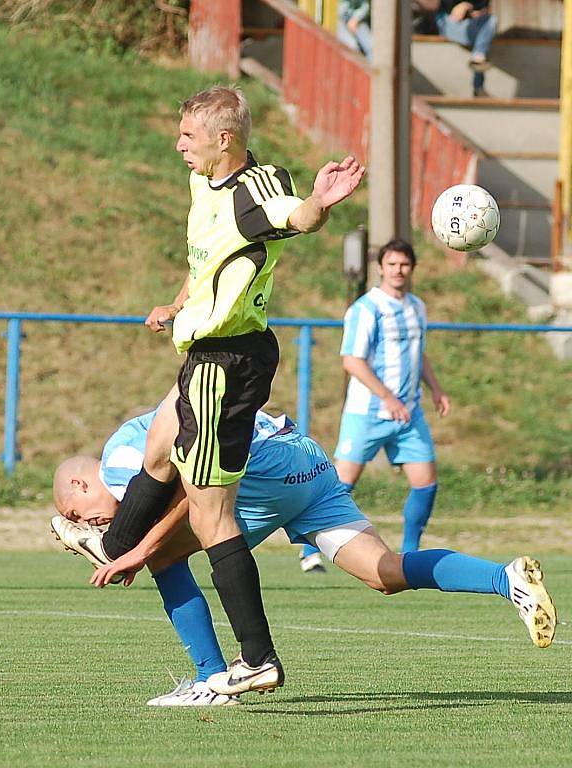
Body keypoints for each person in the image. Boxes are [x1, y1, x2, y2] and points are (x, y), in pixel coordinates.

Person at [53, 84, 365, 697]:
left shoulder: (256, 188)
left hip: (230, 360)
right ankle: (112, 541)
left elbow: (291, 217)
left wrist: (319, 205)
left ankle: (258, 658)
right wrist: (178, 302)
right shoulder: (207, 182)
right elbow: (207, 261)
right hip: (204, 354)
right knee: (159, 445)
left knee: (211, 513)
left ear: (225, 141)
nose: (178, 145)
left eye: (188, 137)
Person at [52, 408, 557, 705]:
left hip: (265, 471)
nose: (90, 520)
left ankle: (209, 679)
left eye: (79, 512)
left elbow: (195, 491)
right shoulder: (130, 443)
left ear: (80, 481)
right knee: (385, 572)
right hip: (304, 460)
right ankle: (505, 577)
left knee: (163, 556)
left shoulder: (120, 463)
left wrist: (135, 549)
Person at [334, 238, 450, 553]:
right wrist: (386, 396)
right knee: (338, 488)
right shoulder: (366, 309)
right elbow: (352, 361)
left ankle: (410, 553)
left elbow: (419, 353)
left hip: (408, 413)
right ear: (381, 268)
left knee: (426, 482)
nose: (398, 270)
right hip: (367, 412)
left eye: (404, 265)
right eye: (392, 265)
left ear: (412, 268)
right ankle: (310, 552)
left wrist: (436, 389)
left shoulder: (417, 307)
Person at [417, 1, 498, 97]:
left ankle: (478, 75)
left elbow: (481, 7)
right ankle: (478, 84)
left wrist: (473, 8)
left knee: (490, 23)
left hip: (471, 25)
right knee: (480, 44)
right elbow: (454, 13)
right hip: (448, 22)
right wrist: (462, 7)